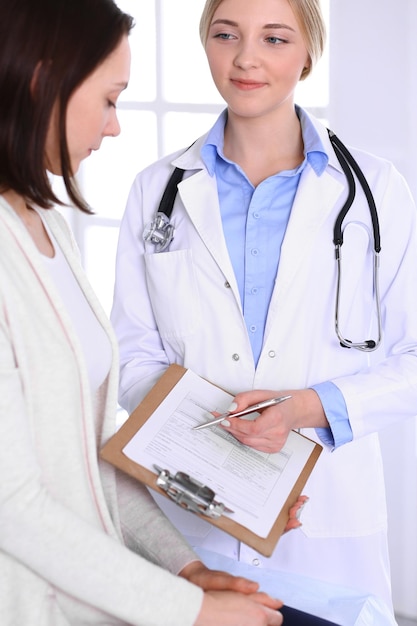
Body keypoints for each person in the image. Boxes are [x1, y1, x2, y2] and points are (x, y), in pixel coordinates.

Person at [111, 0, 417, 623]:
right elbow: (133, 356)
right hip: (192, 523)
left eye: (274, 38)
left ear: (309, 53)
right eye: (226, 35)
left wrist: (304, 409)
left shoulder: (377, 191)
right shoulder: (156, 189)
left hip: (324, 521)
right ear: (206, 45)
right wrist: (215, 451)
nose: (246, 58)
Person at [0, 0, 291, 624]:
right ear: (40, 81)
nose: (115, 127)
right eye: (109, 99)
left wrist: (186, 567)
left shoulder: (47, 224)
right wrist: (190, 610)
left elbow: (94, 442)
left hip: (95, 599)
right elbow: (11, 504)